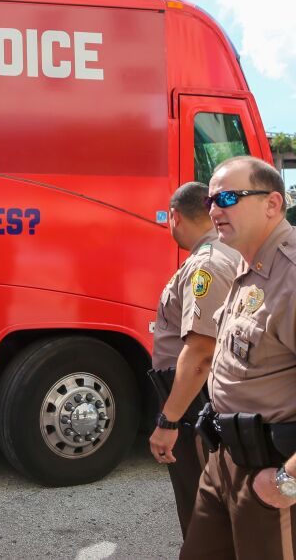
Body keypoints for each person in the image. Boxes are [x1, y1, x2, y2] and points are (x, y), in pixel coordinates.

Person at [181, 156, 296, 559]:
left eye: (229, 196)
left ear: (272, 203)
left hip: (271, 474)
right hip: (224, 461)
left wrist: (285, 482)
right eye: (211, 199)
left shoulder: (291, 275)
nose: (214, 209)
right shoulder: (247, 266)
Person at [148, 182, 238, 538]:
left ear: (175, 216)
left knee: (203, 510)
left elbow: (201, 352)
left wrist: (168, 423)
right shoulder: (223, 254)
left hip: (195, 401)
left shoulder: (208, 264)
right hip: (199, 396)